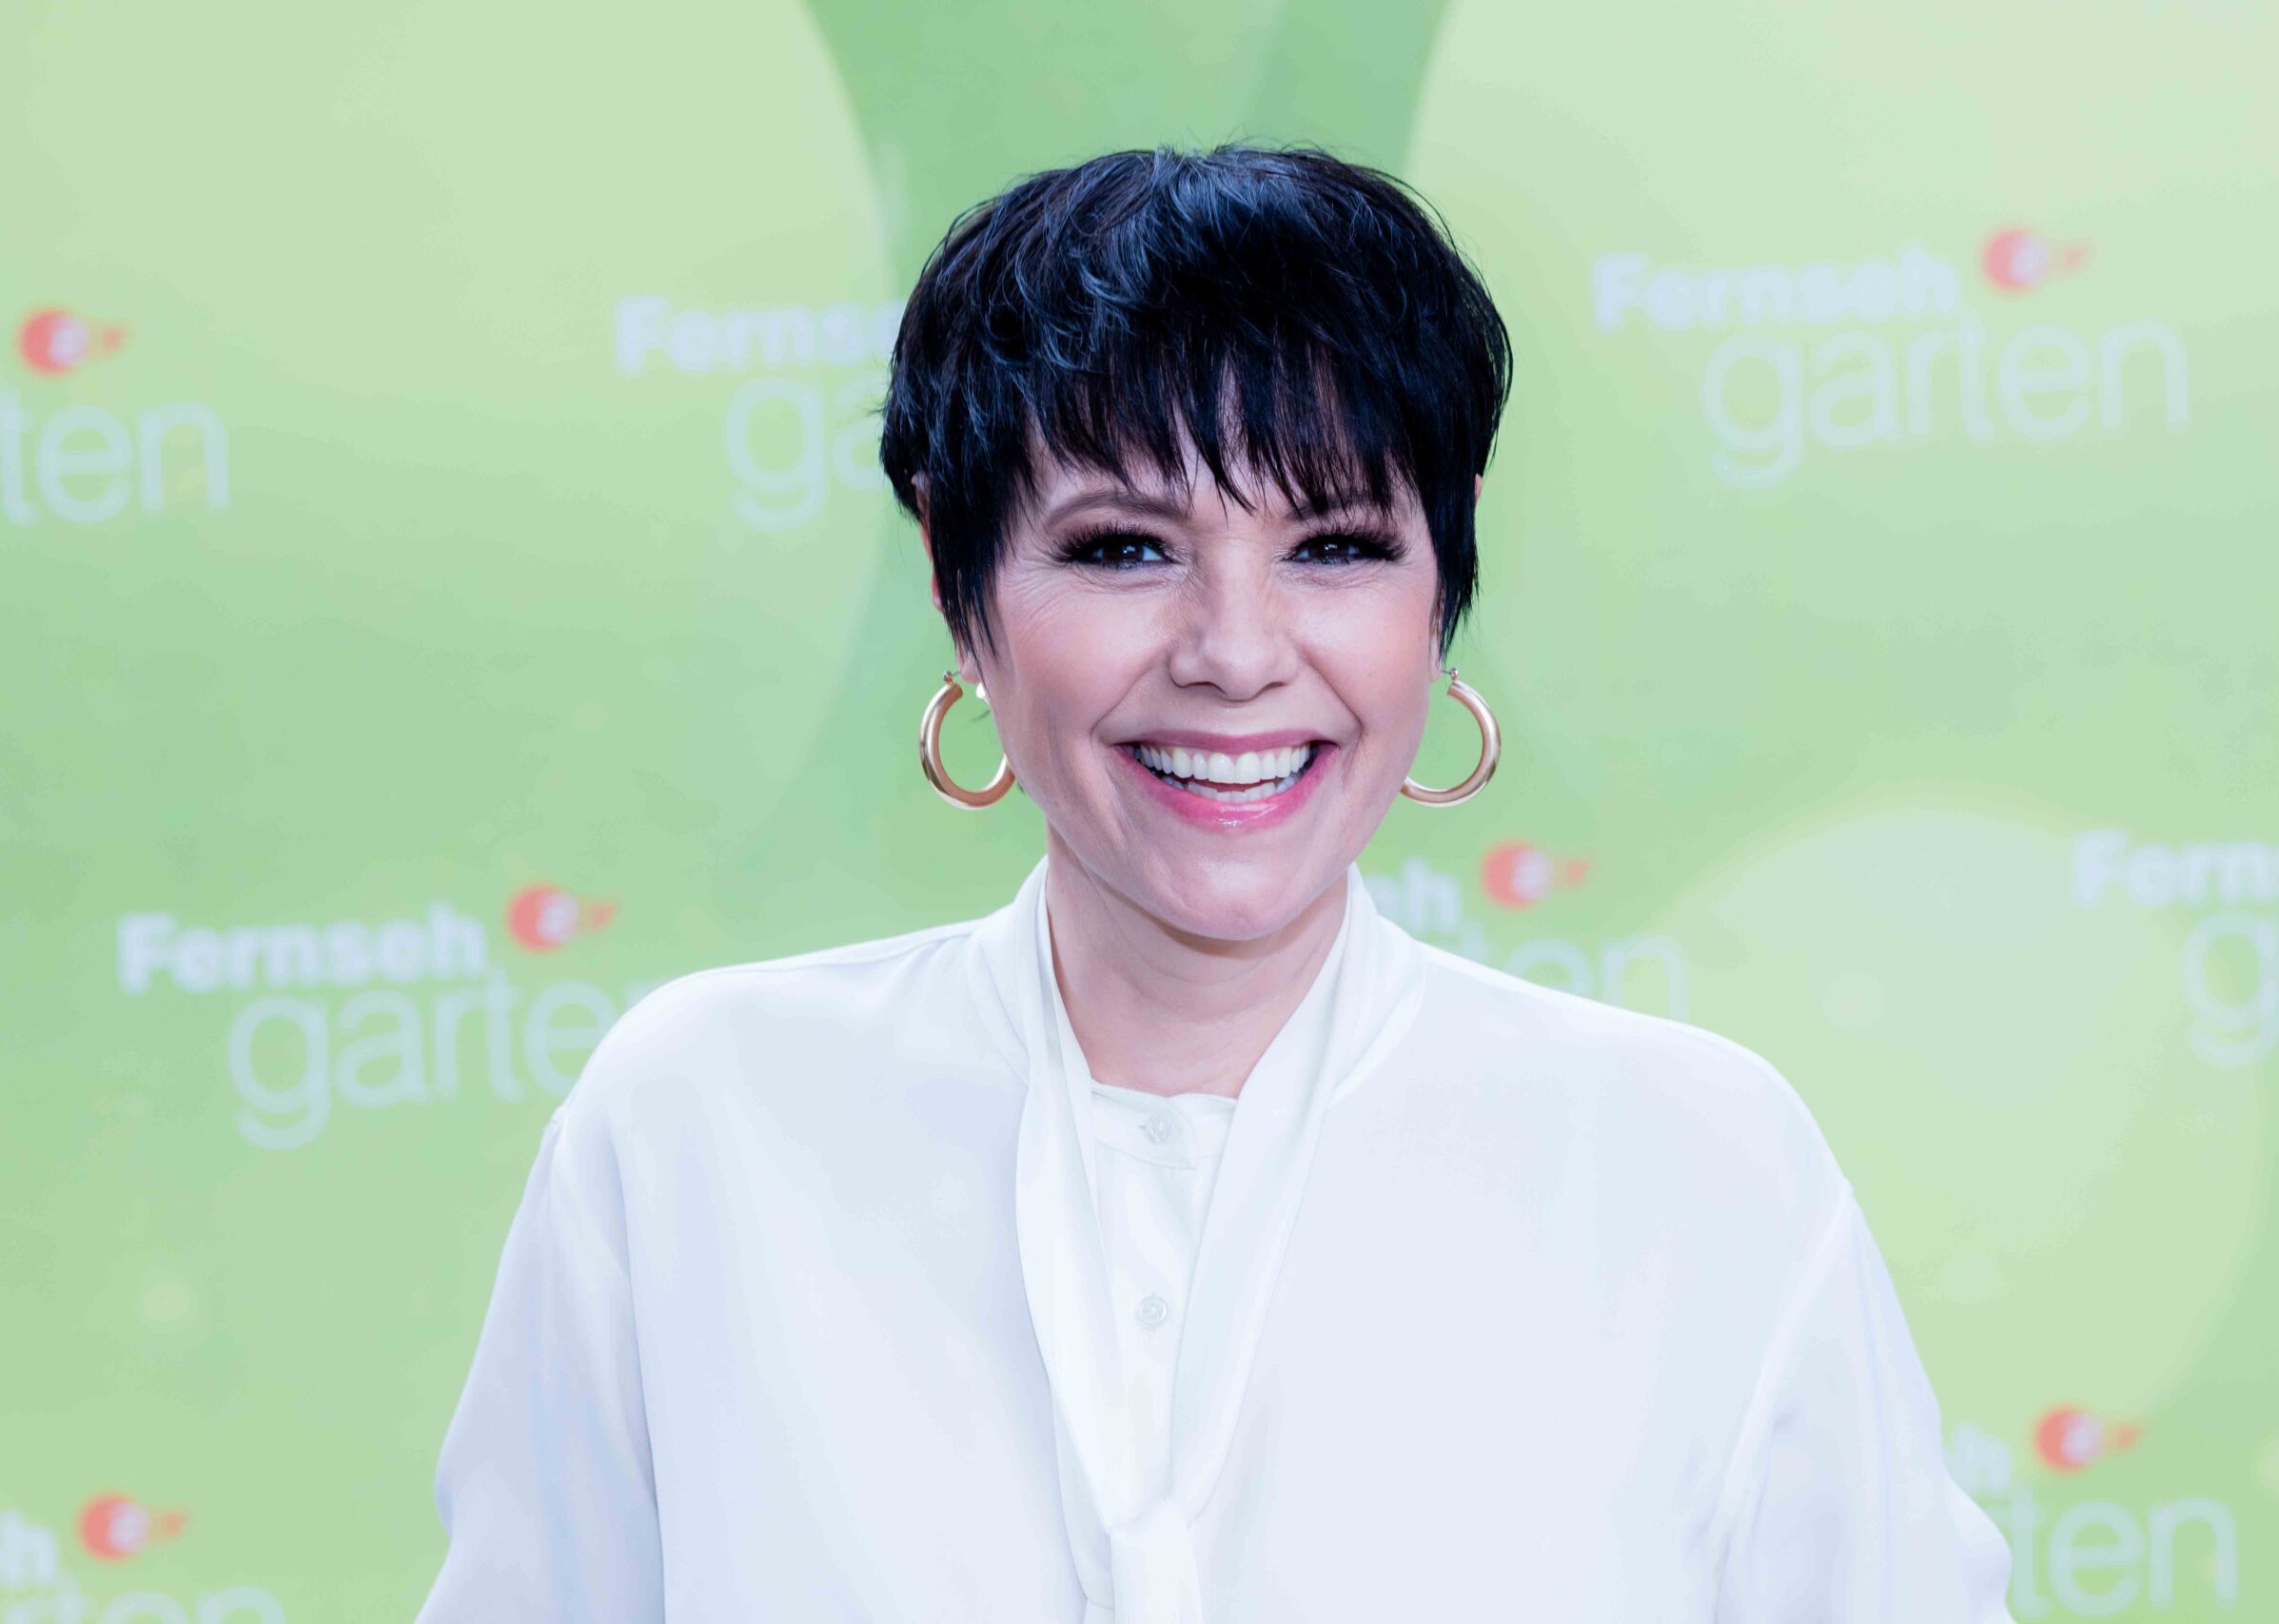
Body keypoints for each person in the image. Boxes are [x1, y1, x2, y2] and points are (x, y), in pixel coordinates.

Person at [417, 143, 2016, 1624]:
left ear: (1442, 588)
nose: (1237, 655)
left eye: (1335, 545)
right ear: (960, 586)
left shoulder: (1695, 1168)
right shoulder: (699, 1127)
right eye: (1124, 547)